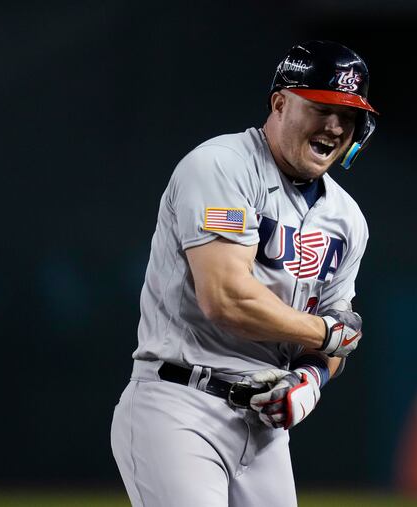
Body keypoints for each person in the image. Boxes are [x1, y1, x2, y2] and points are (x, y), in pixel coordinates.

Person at [110, 40, 378, 507]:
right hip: (181, 405)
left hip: (265, 424)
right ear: (280, 103)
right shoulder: (222, 165)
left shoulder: (348, 218)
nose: (335, 126)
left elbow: (340, 330)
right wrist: (328, 333)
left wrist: (312, 382)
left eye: (349, 115)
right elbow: (226, 298)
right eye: (322, 106)